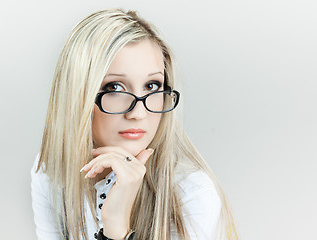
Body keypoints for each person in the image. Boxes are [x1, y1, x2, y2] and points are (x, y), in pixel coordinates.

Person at [30, 8, 238, 240]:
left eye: (151, 86)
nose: (138, 113)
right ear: (77, 96)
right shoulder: (51, 171)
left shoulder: (190, 192)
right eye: (114, 88)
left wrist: (117, 229)